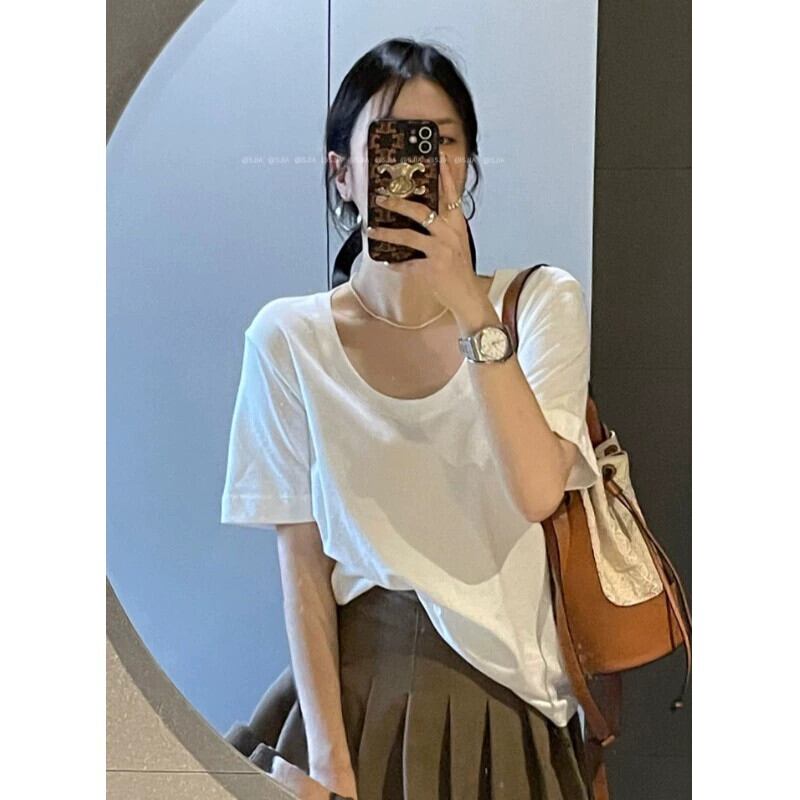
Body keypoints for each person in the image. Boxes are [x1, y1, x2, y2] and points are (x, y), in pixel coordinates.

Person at [221, 37, 600, 800]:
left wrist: (467, 305)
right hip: (356, 698)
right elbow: (302, 566)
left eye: (442, 143)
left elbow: (536, 492)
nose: (422, 167)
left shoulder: (539, 304)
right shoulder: (288, 338)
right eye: (392, 144)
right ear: (343, 171)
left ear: (468, 166)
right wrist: (329, 761)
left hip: (510, 698)